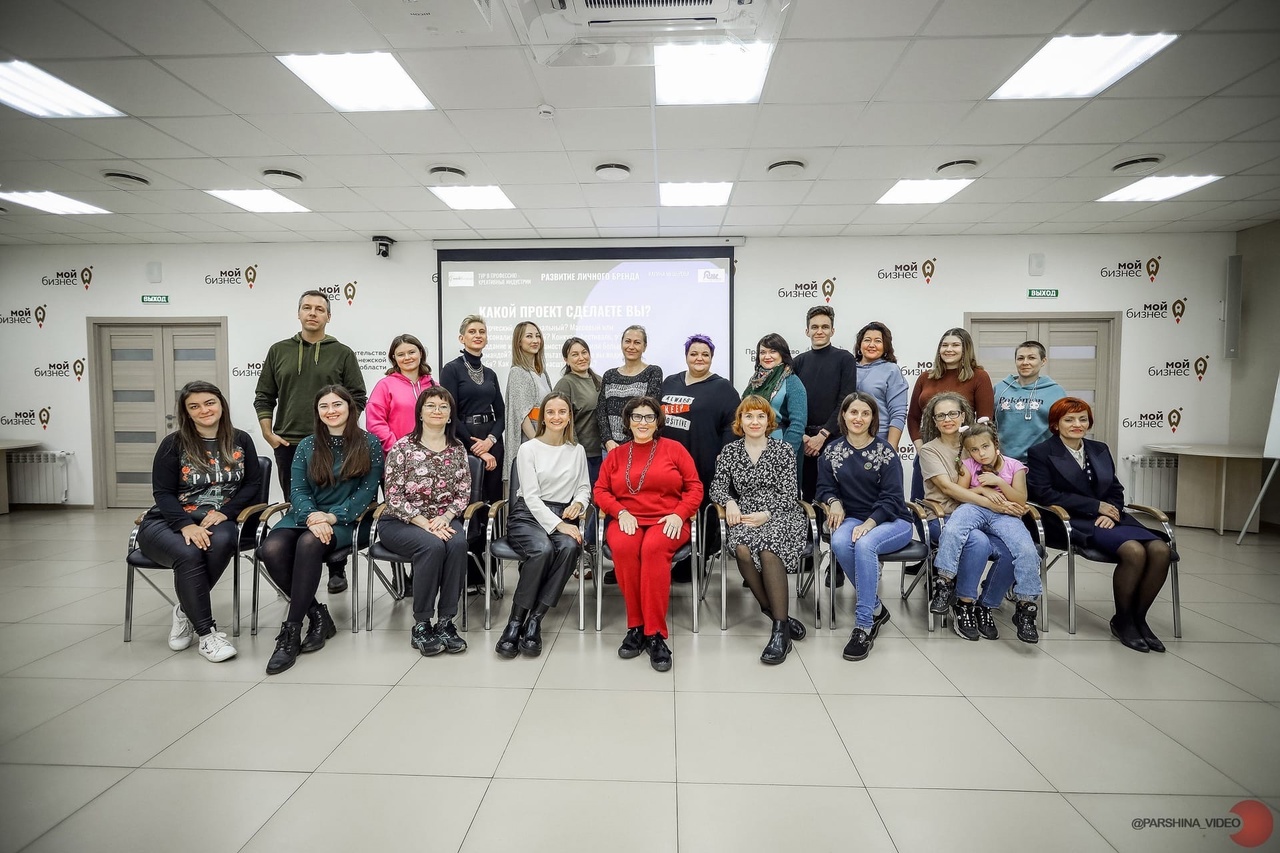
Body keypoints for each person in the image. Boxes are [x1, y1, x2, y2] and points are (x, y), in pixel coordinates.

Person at [1028, 398, 1172, 653]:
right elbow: (1044, 494)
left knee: (1161, 550)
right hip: (1071, 520)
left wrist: (1112, 512)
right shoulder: (1041, 452)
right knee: (1134, 551)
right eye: (1069, 419)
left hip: (1111, 518)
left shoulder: (1099, 449)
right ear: (1056, 424)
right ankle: (1123, 620)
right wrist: (1095, 507)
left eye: (1082, 419)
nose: (1077, 424)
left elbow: (1115, 489)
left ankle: (1138, 619)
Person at [258, 385, 384, 675]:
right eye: (324, 406)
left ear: (350, 407)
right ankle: (317, 614)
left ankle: (291, 631)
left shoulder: (369, 443)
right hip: (306, 516)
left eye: (337, 404)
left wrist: (331, 517)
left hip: (350, 521)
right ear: (317, 412)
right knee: (271, 548)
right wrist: (314, 516)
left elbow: (366, 495)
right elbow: (298, 490)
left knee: (309, 543)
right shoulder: (307, 445)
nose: (331, 411)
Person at [136, 381, 262, 663]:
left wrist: (227, 511)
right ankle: (207, 635)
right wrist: (186, 525)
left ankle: (184, 610)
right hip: (167, 520)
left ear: (221, 405)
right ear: (186, 413)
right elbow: (163, 493)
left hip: (217, 518)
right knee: (189, 553)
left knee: (224, 540)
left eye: (209, 403)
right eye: (194, 406)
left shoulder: (241, 440)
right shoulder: (173, 444)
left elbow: (253, 484)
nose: (204, 410)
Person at [254, 289, 367, 594]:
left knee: (334, 502)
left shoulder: (342, 353)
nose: (313, 313)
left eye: (319, 309)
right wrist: (267, 432)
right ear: (299, 313)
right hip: (289, 443)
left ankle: (336, 567)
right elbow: (264, 395)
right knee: (300, 503)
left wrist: (343, 430)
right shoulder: (279, 351)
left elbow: (357, 396)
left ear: (328, 316)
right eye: (307, 307)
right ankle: (299, 568)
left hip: (333, 444)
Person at [593, 396, 703, 673]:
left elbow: (695, 487)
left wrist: (680, 513)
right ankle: (636, 626)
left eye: (649, 417)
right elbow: (600, 490)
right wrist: (620, 512)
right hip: (627, 518)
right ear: (628, 422)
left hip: (668, 519)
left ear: (657, 422)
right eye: (637, 417)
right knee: (625, 549)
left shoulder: (674, 449)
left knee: (653, 549)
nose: (643, 422)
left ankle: (655, 634)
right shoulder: (616, 455)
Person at [709, 395, 809, 665]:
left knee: (767, 548)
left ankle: (779, 633)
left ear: (769, 421)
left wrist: (768, 514)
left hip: (781, 514)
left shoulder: (783, 450)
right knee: (741, 548)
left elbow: (790, 494)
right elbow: (717, 486)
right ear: (740, 421)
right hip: (746, 514)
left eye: (760, 416)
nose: (755, 421)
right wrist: (730, 501)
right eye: (749, 416)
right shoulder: (730, 451)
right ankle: (777, 614)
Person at [816, 392, 913, 662]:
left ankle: (863, 625)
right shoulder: (831, 451)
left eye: (865, 413)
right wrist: (834, 502)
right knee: (838, 541)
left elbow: (893, 499)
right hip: (854, 518)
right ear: (844, 415)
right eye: (853, 412)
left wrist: (870, 524)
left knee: (865, 543)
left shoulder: (885, 452)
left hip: (892, 520)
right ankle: (876, 608)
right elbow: (824, 488)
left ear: (873, 418)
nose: (858, 418)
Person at [495, 391, 591, 659]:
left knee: (570, 547)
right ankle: (515, 622)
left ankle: (535, 620)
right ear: (543, 418)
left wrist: (579, 503)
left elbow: (584, 487)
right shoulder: (529, 449)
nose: (556, 417)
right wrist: (559, 524)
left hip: (562, 513)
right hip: (528, 514)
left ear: (569, 417)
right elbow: (531, 496)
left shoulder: (577, 450)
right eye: (550, 412)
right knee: (542, 550)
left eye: (562, 412)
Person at [378, 387, 471, 658]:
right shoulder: (402, 447)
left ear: (450, 415)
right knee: (432, 546)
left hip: (443, 520)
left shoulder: (457, 449)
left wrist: (445, 517)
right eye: (430, 406)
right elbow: (393, 497)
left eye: (443, 406)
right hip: (401, 521)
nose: (437, 411)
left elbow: (463, 492)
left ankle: (446, 622)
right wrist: (426, 523)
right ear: (420, 412)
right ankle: (421, 623)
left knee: (458, 543)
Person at [918, 392, 1018, 642]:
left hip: (985, 516)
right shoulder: (929, 450)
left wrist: (999, 502)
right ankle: (963, 604)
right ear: (934, 421)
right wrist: (986, 498)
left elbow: (1002, 478)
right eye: (941, 415)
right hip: (944, 516)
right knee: (978, 542)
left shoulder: (978, 443)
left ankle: (986, 605)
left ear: (963, 415)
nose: (947, 419)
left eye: (953, 413)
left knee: (1012, 548)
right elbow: (949, 489)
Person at [931, 421, 1042, 643]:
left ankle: (1026, 608)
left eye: (985, 447)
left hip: (1005, 515)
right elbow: (960, 494)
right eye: (974, 449)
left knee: (1028, 550)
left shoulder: (1015, 467)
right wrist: (982, 490)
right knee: (953, 528)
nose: (981, 454)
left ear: (996, 444)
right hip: (975, 508)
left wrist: (998, 481)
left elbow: (1021, 500)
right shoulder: (968, 465)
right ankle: (944, 583)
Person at [660, 334, 740, 581]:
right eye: (694, 353)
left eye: (705, 354)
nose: (699, 358)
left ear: (712, 358)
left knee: (702, 508)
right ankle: (666, 553)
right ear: (686, 356)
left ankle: (696, 559)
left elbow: (733, 425)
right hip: (668, 462)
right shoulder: (669, 383)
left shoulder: (723, 388)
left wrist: (724, 454)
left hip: (703, 460)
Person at [907, 328, 994, 499]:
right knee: (921, 502)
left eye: (955, 345)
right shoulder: (925, 377)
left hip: (963, 453)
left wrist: (976, 451)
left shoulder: (979, 376)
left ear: (965, 349)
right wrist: (920, 448)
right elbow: (913, 417)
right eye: (944, 345)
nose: (949, 349)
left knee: (960, 500)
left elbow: (985, 421)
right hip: (929, 451)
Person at [793, 306, 858, 503]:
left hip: (834, 439)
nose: (819, 331)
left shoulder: (845, 359)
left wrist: (822, 435)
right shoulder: (798, 362)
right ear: (807, 331)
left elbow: (845, 401)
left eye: (825, 327)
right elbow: (791, 405)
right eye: (814, 327)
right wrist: (804, 437)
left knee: (835, 498)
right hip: (804, 442)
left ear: (832, 330)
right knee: (808, 497)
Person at [439, 314, 505, 502]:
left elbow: (501, 415)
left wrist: (490, 441)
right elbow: (450, 414)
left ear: (487, 338)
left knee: (493, 498)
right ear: (462, 338)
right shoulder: (451, 369)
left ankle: (493, 525)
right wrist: (478, 449)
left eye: (482, 332)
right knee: (470, 499)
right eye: (472, 332)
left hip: (492, 440)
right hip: (465, 439)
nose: (478, 335)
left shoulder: (491, 374)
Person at [743, 333, 807, 487]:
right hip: (752, 445)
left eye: (773, 351)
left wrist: (784, 455)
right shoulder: (755, 381)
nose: (767, 356)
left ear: (782, 354)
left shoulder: (792, 381)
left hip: (780, 445)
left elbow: (798, 424)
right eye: (763, 352)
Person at [994, 340, 1066, 463]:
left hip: (1041, 461)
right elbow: (987, 423)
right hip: (1003, 460)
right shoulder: (1000, 388)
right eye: (1020, 358)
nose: (1025, 363)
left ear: (1043, 361)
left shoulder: (1055, 391)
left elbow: (1063, 428)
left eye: (1031, 358)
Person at [596, 325, 664, 453]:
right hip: (610, 449)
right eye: (627, 341)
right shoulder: (609, 375)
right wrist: (607, 440)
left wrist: (625, 445)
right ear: (621, 344)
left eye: (637, 342)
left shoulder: (653, 372)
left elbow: (649, 411)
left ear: (644, 347)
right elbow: (601, 411)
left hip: (639, 447)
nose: (631, 346)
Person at [366, 333, 437, 454]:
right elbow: (375, 423)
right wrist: (398, 449)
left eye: (411, 352)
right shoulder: (385, 386)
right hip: (398, 456)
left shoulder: (434, 386)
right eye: (401, 354)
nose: (407, 357)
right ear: (394, 358)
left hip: (431, 455)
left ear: (420, 353)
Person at [503, 321, 553, 484]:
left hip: (545, 436)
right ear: (519, 341)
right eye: (529, 336)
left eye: (538, 336)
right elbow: (521, 416)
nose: (535, 340)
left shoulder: (542, 373)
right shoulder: (518, 372)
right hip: (531, 441)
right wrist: (538, 443)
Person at [553, 337, 604, 485]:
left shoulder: (599, 380)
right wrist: (576, 451)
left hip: (603, 452)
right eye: (575, 355)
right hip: (580, 455)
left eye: (584, 352)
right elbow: (561, 422)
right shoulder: (565, 384)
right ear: (566, 360)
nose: (581, 358)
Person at [853, 321, 909, 448]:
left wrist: (891, 448)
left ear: (885, 346)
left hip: (879, 439)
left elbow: (898, 413)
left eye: (878, 341)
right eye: (867, 340)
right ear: (860, 344)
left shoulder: (891, 370)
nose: (872, 345)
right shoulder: (848, 367)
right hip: (849, 439)